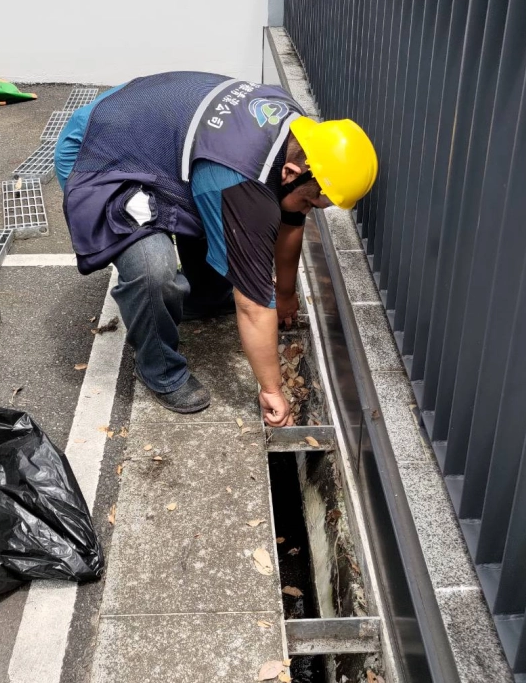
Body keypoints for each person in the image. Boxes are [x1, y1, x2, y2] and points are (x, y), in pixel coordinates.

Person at [55, 72, 377, 426]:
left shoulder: (300, 139)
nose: (307, 211)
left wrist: (285, 294)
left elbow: (291, 222)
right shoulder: (239, 176)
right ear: (289, 173)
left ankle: (203, 299)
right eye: (309, 203)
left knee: (226, 217)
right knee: (153, 267)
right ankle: (159, 369)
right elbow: (253, 305)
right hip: (98, 150)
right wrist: (272, 389)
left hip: (147, 131)